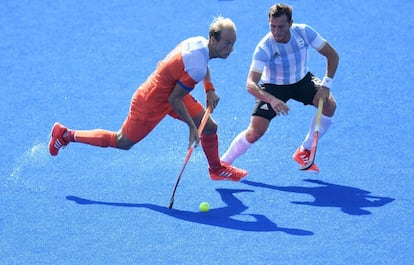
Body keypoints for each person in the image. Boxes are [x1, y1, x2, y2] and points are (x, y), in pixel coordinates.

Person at [49, 16, 247, 181]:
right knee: (122, 142)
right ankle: (66, 134)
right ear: (213, 40)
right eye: (227, 43)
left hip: (171, 90)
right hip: (151, 101)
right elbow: (175, 99)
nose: (230, 49)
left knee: (210, 127)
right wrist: (192, 127)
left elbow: (201, 67)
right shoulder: (197, 66)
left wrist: (209, 89)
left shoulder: (198, 43)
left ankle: (216, 168)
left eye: (233, 44)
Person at [221, 4, 339, 173]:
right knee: (255, 132)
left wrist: (326, 86)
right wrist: (271, 99)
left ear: (291, 23)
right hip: (273, 87)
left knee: (329, 105)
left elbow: (332, 55)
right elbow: (250, 84)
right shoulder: (264, 47)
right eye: (272, 26)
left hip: (302, 80)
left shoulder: (304, 32)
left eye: (281, 27)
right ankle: (223, 164)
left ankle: (304, 150)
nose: (276, 32)